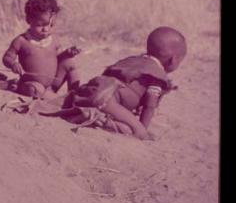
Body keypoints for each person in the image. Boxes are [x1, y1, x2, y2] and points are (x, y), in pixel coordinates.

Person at [59, 26, 187, 140]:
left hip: (91, 89)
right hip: (107, 100)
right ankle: (99, 120)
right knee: (137, 131)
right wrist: (142, 129)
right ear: (173, 60)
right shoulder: (157, 75)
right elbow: (149, 106)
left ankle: (87, 113)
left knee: (122, 115)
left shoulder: (131, 60)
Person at [2, 0, 80, 99]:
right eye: (41, 25)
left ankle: (75, 95)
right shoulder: (21, 41)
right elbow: (7, 58)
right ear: (29, 20)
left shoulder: (54, 40)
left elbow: (58, 59)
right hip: (32, 84)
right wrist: (13, 64)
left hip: (52, 85)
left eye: (51, 25)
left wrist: (67, 54)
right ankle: (59, 101)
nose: (46, 29)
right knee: (34, 90)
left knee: (69, 63)